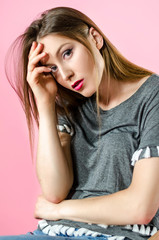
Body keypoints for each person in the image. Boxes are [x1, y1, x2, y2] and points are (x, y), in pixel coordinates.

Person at [2, 6, 159, 240]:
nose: (65, 74)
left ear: (95, 38)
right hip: (52, 233)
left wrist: (58, 210)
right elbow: (54, 191)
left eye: (67, 53)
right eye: (52, 67)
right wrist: (45, 105)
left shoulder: (151, 96)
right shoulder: (69, 104)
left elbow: (140, 207)